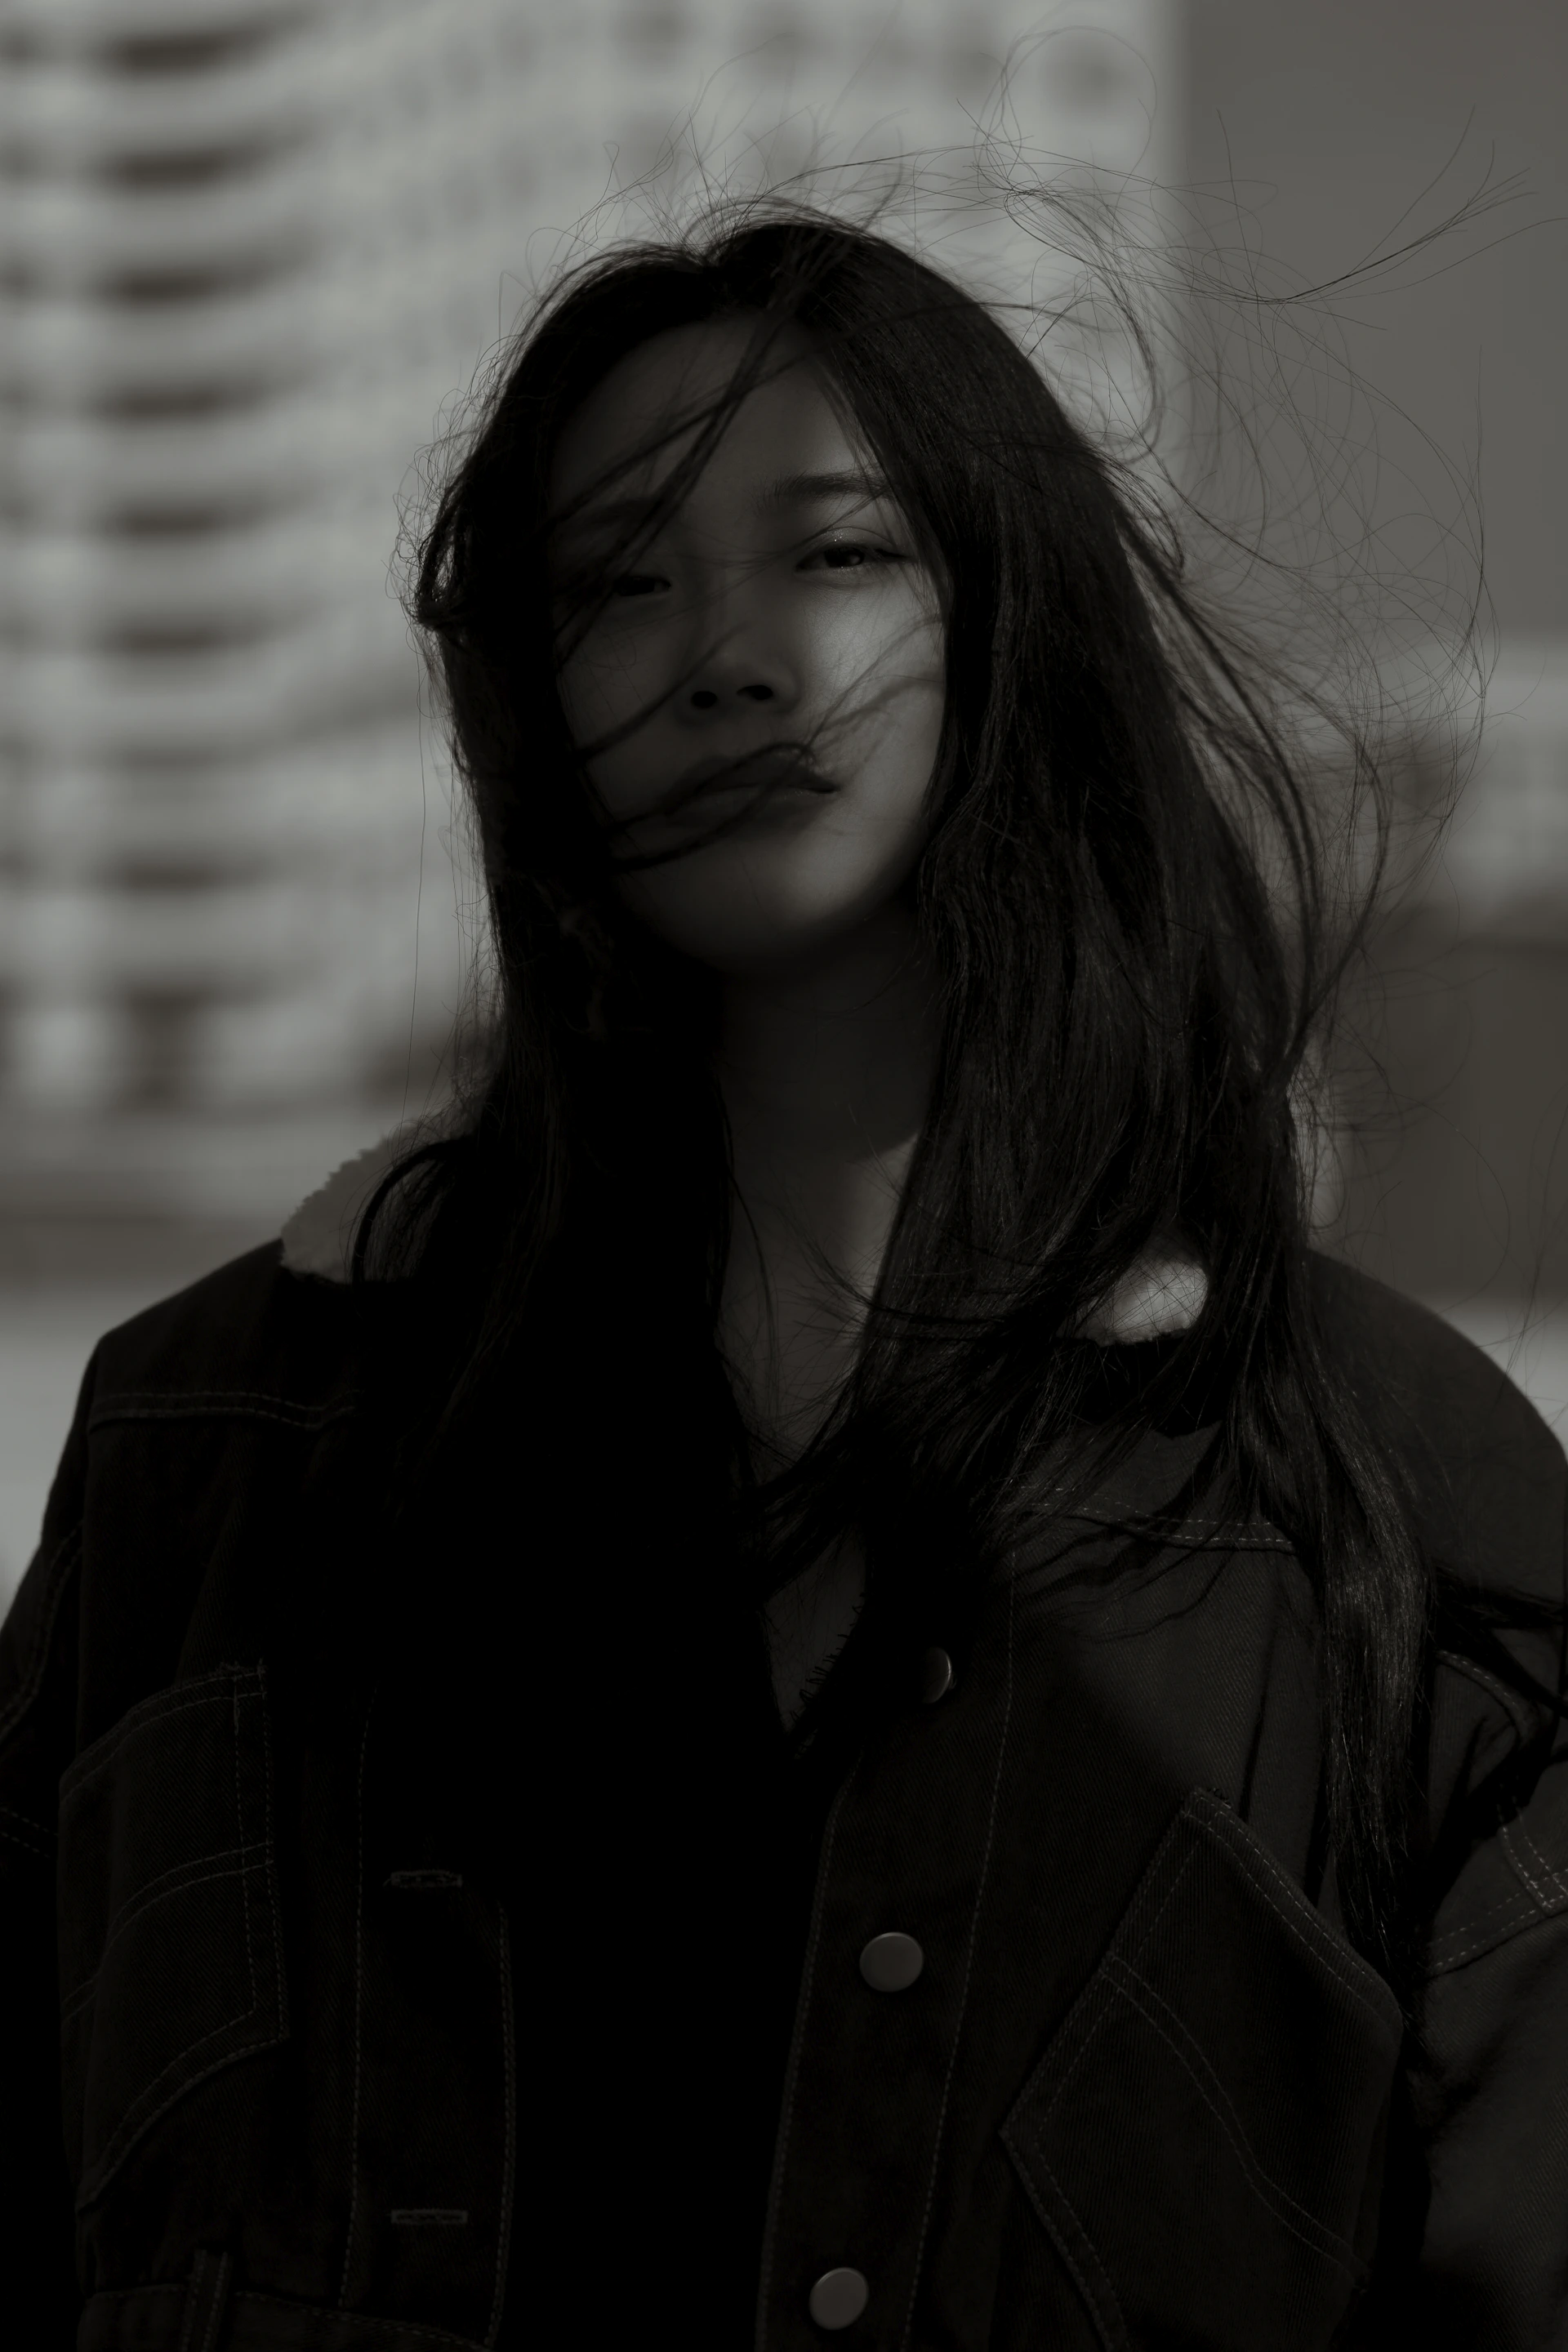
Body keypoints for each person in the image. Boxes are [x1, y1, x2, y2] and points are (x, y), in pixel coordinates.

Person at [2, 207, 1564, 2352]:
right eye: (620, 581)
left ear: (1011, 610)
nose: (726, 654)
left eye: (833, 554)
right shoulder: (216, 1443)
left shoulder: (1375, 1484)